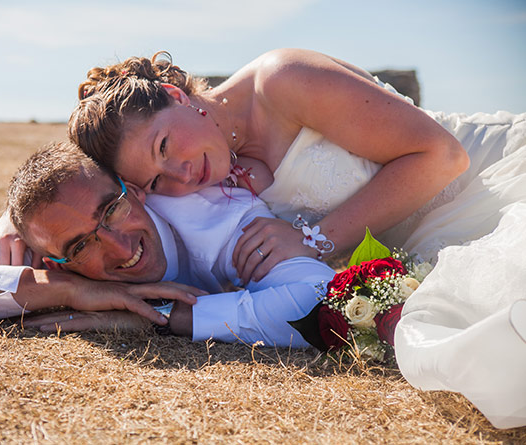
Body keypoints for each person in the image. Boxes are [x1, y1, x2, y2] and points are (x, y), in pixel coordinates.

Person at [66, 48, 526, 429]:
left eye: (164, 146)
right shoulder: (206, 168)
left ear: (174, 95)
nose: (182, 176)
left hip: (487, 179)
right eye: (157, 181)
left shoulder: (281, 81)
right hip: (423, 240)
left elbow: (442, 155)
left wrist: (315, 238)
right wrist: (13, 221)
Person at [0, 141, 335, 347]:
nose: (116, 244)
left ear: (133, 188)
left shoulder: (227, 221)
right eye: (82, 244)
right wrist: (67, 290)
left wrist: (157, 317)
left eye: (112, 209)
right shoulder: (50, 254)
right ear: (54, 256)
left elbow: (321, 307)